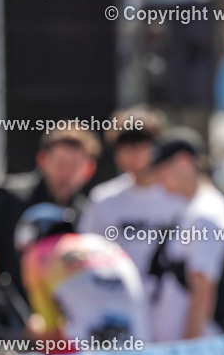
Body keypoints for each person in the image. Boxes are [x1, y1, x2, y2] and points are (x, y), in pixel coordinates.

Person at [78, 108, 190, 342]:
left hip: (173, 312)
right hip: (119, 314)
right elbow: (84, 259)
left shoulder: (178, 197)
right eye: (124, 146)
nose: (132, 154)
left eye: (140, 145)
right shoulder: (103, 200)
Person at [0, 126, 100, 301]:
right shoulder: (10, 197)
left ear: (89, 169)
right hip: (13, 316)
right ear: (43, 160)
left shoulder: (87, 211)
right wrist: (0, 311)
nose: (66, 173)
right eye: (61, 164)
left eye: (74, 166)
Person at [17, 203, 149, 350]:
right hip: (137, 328)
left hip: (90, 339)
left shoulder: (36, 255)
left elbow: (50, 331)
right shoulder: (96, 242)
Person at [151, 128, 224, 340]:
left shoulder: (204, 213)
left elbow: (202, 292)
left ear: (183, 162)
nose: (158, 180)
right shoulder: (193, 208)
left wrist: (188, 352)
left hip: (201, 350)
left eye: (161, 170)